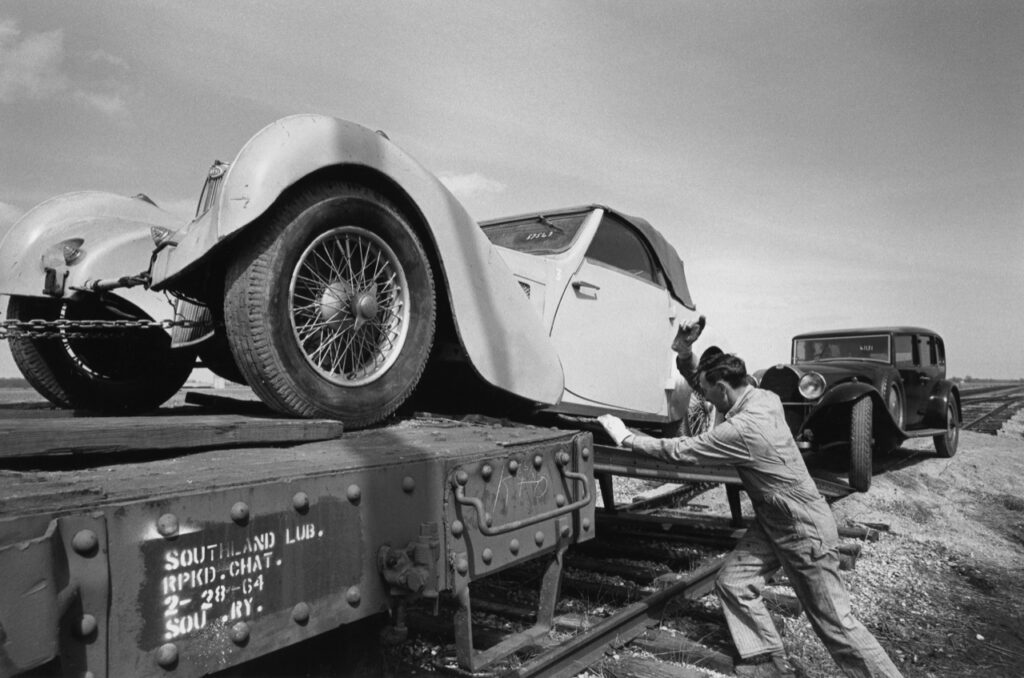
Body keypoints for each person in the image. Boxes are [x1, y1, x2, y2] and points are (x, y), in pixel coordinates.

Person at [598, 318, 902, 678]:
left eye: (708, 394)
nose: (704, 398)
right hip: (777, 519)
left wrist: (627, 438)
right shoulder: (761, 396)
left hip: (803, 531)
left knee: (836, 625)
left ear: (724, 391)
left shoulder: (742, 430)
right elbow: (705, 378)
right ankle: (765, 661)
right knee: (734, 583)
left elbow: (681, 450)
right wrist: (685, 352)